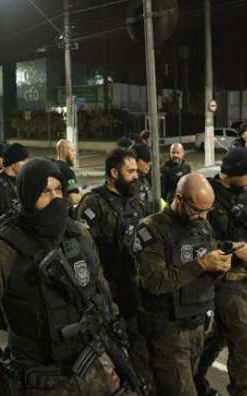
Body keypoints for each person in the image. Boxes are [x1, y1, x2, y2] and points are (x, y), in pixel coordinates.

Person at [0, 158, 115, 396]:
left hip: (89, 374)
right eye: (45, 191)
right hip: (37, 380)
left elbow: (102, 295)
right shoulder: (2, 253)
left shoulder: (78, 235)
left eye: (58, 189)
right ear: (27, 197)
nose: (55, 198)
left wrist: (111, 357)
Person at [136, 173, 236, 395]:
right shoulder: (150, 229)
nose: (203, 216)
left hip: (197, 323)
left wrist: (219, 266)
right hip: (169, 331)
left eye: (207, 210)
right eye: (197, 210)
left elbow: (207, 267)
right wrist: (201, 264)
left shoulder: (201, 224)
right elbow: (154, 282)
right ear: (180, 199)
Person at [75, 148, 151, 385]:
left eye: (136, 171)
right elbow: (81, 251)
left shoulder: (136, 200)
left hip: (134, 288)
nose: (136, 176)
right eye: (130, 171)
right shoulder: (93, 204)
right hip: (107, 291)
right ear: (114, 173)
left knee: (139, 345)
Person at [195, 148, 247, 396]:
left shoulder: (239, 193)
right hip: (222, 282)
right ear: (234, 172)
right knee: (246, 344)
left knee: (221, 336)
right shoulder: (206, 195)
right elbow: (196, 241)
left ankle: (193, 378)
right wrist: (232, 249)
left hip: (243, 280)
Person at [54, 138, 81, 205]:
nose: (75, 154)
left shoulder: (52, 166)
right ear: (66, 152)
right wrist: (85, 196)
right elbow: (73, 199)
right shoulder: (67, 171)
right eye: (72, 150)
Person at [131, 143, 154, 208]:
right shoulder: (129, 183)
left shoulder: (145, 180)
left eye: (150, 161)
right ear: (134, 160)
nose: (149, 164)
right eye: (146, 160)